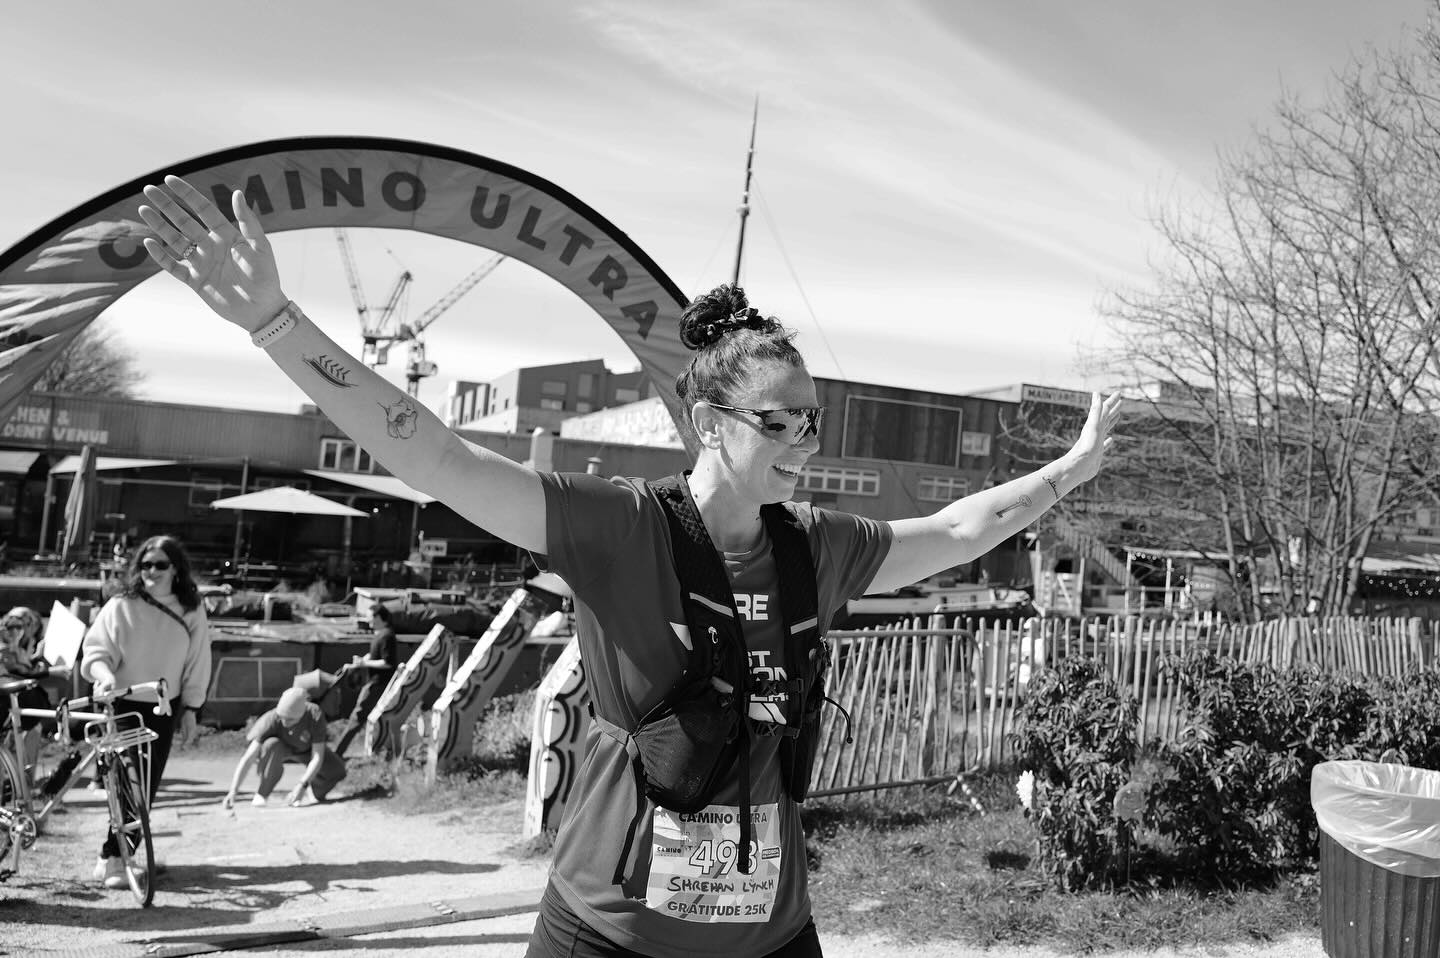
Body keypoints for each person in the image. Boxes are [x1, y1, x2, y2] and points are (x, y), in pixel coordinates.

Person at [137, 177, 1120, 958]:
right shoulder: (619, 527)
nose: (804, 442)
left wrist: (1070, 469)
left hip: (771, 933)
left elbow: (958, 529)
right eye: (778, 421)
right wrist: (275, 321)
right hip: (608, 931)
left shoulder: (814, 545)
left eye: (811, 421)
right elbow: (432, 453)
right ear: (710, 423)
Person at [80, 534, 211, 889]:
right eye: (146, 564)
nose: (152, 571)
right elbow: (96, 651)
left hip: (163, 706)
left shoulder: (192, 608)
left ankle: (112, 857)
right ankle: (116, 858)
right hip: (121, 701)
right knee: (127, 782)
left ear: (176, 569)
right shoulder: (121, 604)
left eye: (160, 565)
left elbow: (198, 661)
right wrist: (105, 676)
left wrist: (192, 708)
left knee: (145, 786)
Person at [221, 686, 347, 808]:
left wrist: (302, 785)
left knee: (337, 770)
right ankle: (262, 793)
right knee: (272, 744)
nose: (285, 722)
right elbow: (248, 758)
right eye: (282, 718)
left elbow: (317, 756)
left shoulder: (314, 714)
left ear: (302, 714)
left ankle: (313, 791)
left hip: (307, 750)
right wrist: (233, 791)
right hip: (281, 749)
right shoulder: (270, 719)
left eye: (290, 719)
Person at [0, 606, 68, 783]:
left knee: (27, 733)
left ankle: (22, 781)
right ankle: (22, 781)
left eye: (29, 625)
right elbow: (16, 672)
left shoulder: (15, 644)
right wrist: (50, 671)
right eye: (19, 624)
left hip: (14, 701)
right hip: (7, 701)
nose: (23, 629)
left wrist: (37, 657)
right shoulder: (6, 643)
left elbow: (19, 669)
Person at [334, 603, 398, 757]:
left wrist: (364, 663)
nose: (367, 620)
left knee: (357, 717)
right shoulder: (379, 635)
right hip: (373, 683)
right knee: (365, 717)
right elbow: (374, 655)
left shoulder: (387, 636)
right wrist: (358, 662)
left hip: (378, 684)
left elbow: (387, 662)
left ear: (378, 617)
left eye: (370, 616)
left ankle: (337, 753)